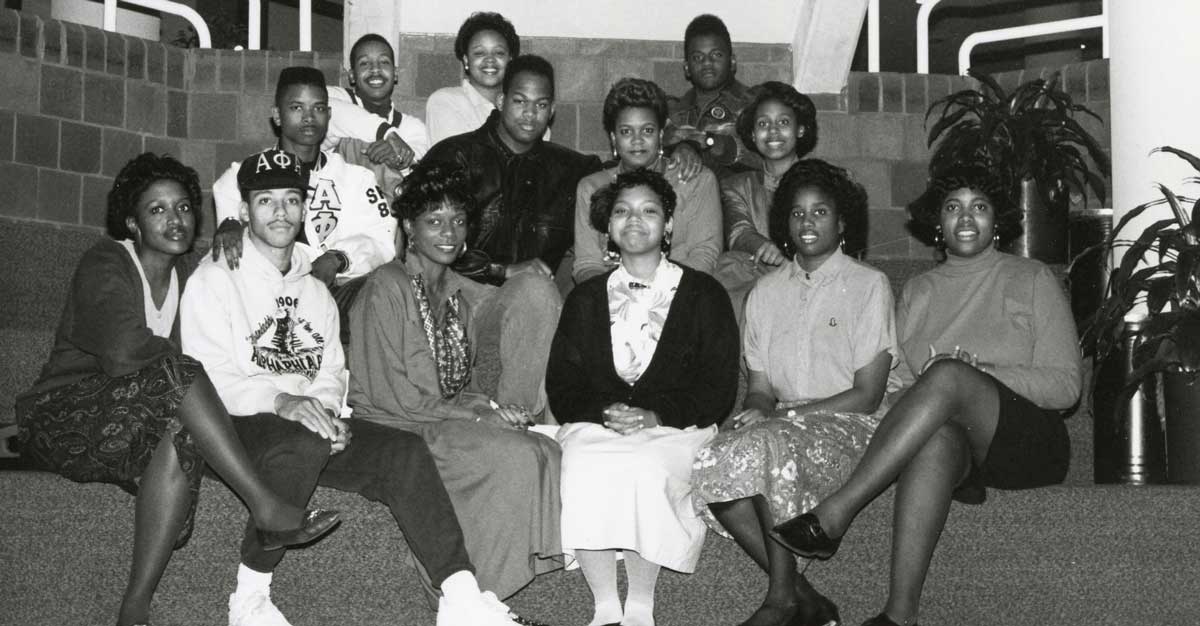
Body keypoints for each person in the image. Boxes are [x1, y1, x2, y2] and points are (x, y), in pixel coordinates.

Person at [181, 148, 543, 626]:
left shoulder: (315, 290)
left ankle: (459, 596)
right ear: (244, 211)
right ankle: (249, 595)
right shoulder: (213, 279)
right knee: (303, 437)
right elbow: (205, 378)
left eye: (291, 200)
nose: (281, 212)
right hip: (236, 425)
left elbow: (331, 370)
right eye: (265, 201)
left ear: (304, 208)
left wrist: (327, 411)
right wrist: (286, 402)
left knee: (404, 451)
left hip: (308, 424)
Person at [14, 153, 340, 626]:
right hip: (63, 415)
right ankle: (266, 506)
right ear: (132, 221)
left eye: (184, 208)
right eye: (157, 210)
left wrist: (233, 234)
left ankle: (135, 607)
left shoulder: (193, 274)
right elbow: (125, 353)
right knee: (182, 371)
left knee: (185, 432)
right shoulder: (106, 261)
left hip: (136, 420)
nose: (175, 219)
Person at [770, 165, 1083, 626]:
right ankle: (899, 615)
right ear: (938, 222)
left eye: (980, 207)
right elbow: (895, 386)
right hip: (958, 447)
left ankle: (836, 513)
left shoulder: (1032, 277)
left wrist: (984, 375)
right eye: (953, 208)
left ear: (999, 221)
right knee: (937, 432)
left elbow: (1067, 386)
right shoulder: (917, 290)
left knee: (949, 375)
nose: (966, 218)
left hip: (1028, 441)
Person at [693, 159, 900, 626]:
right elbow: (761, 389)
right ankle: (808, 599)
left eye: (820, 212)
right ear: (785, 222)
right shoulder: (764, 293)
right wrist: (758, 409)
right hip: (784, 420)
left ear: (842, 221)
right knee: (713, 456)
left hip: (852, 425)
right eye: (797, 213)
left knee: (770, 444)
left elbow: (868, 395)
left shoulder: (869, 286)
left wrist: (781, 419)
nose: (807, 222)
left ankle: (781, 599)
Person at [348, 159, 564, 602]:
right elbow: (398, 397)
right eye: (435, 221)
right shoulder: (384, 287)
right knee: (516, 456)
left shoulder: (458, 296)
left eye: (459, 221)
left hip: (434, 417)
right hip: (394, 425)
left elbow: (453, 385)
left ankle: (481, 599)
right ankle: (464, 598)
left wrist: (490, 407)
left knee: (544, 447)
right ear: (409, 226)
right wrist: (479, 417)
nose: (449, 233)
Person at [547, 168, 740, 626]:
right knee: (583, 464)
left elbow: (718, 388)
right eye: (622, 211)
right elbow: (562, 382)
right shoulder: (586, 298)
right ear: (609, 227)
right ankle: (604, 608)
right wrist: (603, 413)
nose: (635, 220)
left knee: (644, 466)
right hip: (598, 424)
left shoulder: (704, 295)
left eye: (649, 210)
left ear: (668, 224)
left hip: (676, 426)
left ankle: (639, 607)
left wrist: (656, 415)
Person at [210, 66, 394, 339]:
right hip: (269, 297)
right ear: (277, 115)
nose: (309, 117)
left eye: (318, 108)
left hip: (337, 293)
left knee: (390, 286)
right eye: (297, 107)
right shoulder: (247, 175)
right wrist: (229, 222)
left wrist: (338, 259)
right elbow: (228, 208)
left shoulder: (355, 179)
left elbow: (382, 240)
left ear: (329, 115)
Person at [423, 54, 602, 287]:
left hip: (531, 300)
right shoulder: (453, 157)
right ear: (500, 101)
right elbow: (424, 240)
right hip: (457, 292)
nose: (530, 113)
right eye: (519, 101)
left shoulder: (571, 170)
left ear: (552, 110)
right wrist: (501, 271)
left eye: (541, 105)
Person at [573, 77, 722, 283]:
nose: (637, 139)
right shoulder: (591, 188)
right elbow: (587, 264)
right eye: (626, 131)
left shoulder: (696, 180)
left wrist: (657, 294)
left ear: (661, 135)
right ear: (613, 138)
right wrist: (615, 296)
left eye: (647, 130)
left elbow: (705, 256)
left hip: (680, 294)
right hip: (610, 298)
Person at [713, 82, 818, 306]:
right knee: (729, 268)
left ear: (800, 129)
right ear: (752, 133)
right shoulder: (736, 186)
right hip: (758, 272)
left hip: (814, 272)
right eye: (763, 123)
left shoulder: (826, 182)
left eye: (783, 122)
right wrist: (765, 247)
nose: (773, 130)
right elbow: (738, 232)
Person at [324, 33, 432, 199]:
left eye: (384, 62)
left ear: (395, 73)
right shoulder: (336, 97)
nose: (375, 69)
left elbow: (420, 173)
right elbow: (325, 108)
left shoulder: (412, 128)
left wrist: (397, 159)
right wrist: (387, 134)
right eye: (364, 63)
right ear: (352, 75)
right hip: (335, 211)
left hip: (389, 217)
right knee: (351, 142)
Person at [664, 14, 759, 176]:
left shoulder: (754, 105)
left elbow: (768, 160)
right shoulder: (672, 112)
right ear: (686, 67)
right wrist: (675, 145)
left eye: (716, 55)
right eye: (697, 57)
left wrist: (711, 142)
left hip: (741, 198)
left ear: (733, 62)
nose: (707, 63)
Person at [426, 12, 539, 145]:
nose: (490, 60)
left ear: (510, 59)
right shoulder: (445, 101)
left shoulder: (527, 109)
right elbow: (455, 159)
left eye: (499, 53)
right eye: (479, 53)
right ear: (466, 60)